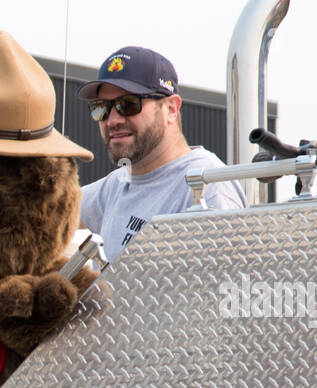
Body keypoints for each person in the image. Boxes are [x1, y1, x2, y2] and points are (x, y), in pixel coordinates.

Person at [77, 47, 245, 260]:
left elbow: (223, 286)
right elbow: (53, 210)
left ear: (171, 109)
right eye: (101, 107)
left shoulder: (205, 188)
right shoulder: (117, 185)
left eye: (127, 104)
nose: (112, 120)